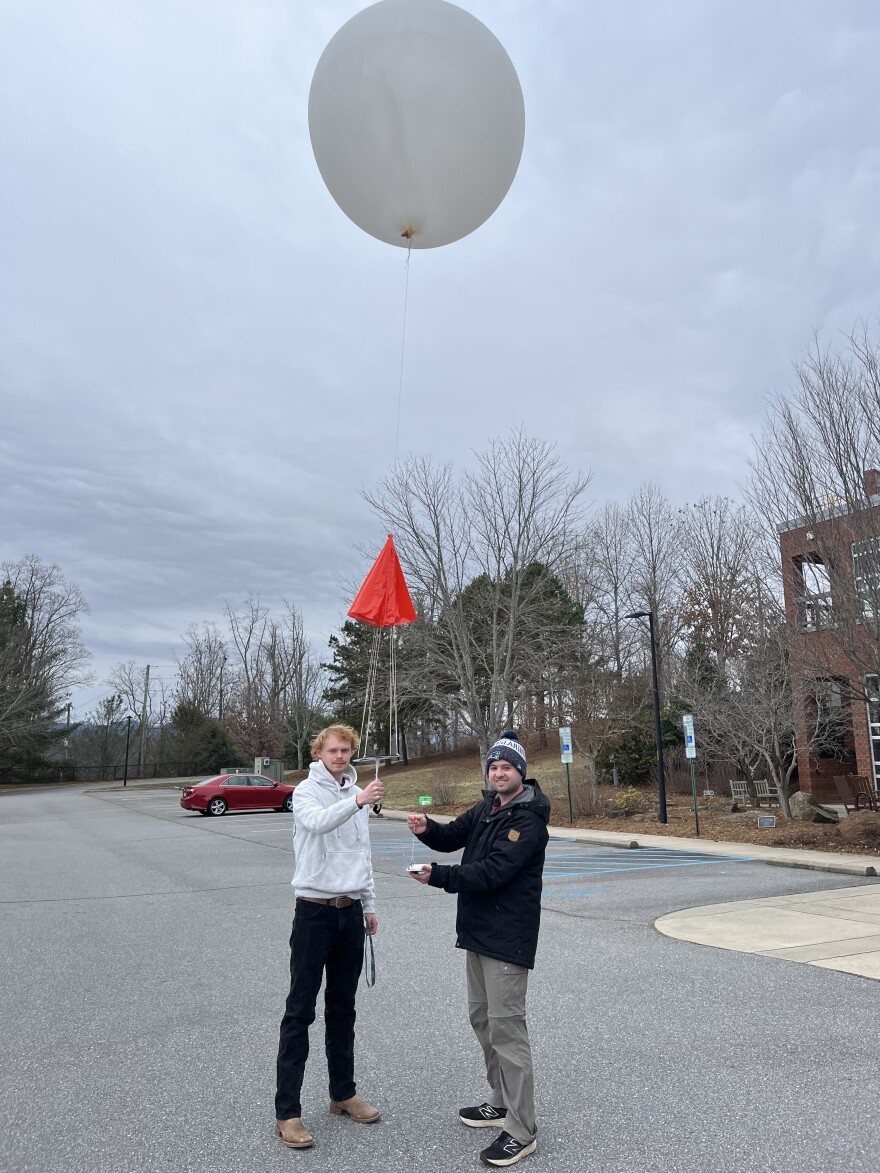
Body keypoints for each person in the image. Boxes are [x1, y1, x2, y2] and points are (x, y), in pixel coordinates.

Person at [407, 730, 549, 1168]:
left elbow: (492, 873)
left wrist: (440, 876)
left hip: (508, 940)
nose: (499, 773)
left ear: (521, 773)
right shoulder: (488, 806)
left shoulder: (527, 821)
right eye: (494, 767)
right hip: (478, 933)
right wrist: (427, 829)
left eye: (506, 767)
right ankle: (501, 1101)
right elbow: (453, 835)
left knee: (507, 1030)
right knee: (482, 1019)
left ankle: (522, 1129)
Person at [274, 724, 384, 1150]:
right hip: (313, 914)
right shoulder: (306, 791)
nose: (340, 756)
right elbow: (316, 824)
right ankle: (288, 1113)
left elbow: (363, 854)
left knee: (343, 1009)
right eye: (332, 750)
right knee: (299, 1012)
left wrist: (369, 905)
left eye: (346, 750)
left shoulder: (356, 793)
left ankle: (343, 1093)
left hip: (350, 912)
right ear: (319, 753)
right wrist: (357, 801)